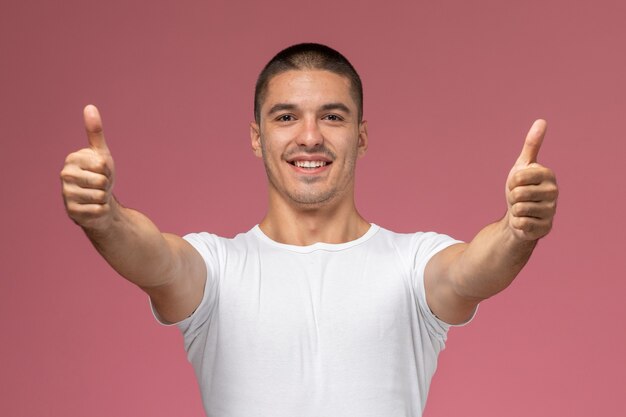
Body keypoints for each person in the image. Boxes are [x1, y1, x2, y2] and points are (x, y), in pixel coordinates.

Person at [60, 43, 558, 416]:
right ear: (258, 137)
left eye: (332, 116)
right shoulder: (216, 269)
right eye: (286, 116)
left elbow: (473, 269)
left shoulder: (412, 264)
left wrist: (518, 229)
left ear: (361, 136)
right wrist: (105, 217)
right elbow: (154, 258)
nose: (310, 136)